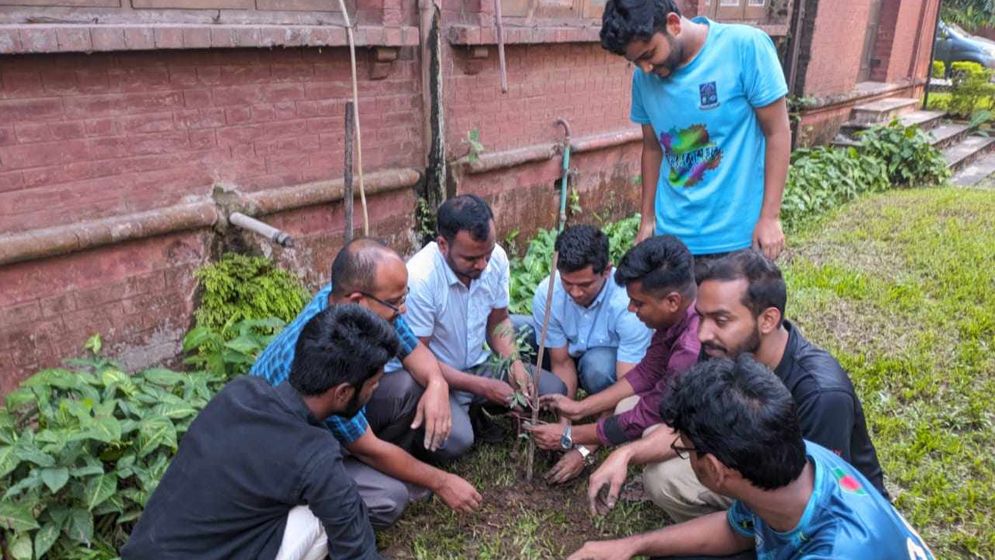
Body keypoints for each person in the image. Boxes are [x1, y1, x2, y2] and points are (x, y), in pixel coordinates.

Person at [588, 250, 887, 524]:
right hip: (751, 464)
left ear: (768, 319)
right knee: (652, 431)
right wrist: (625, 454)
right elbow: (686, 424)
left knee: (665, 479)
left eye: (721, 319)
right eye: (701, 317)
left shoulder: (820, 394)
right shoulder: (720, 348)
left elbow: (821, 498)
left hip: (822, 509)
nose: (704, 333)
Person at [568, 355, 934, 560]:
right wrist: (632, 545)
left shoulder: (840, 550)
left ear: (713, 468)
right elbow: (734, 528)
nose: (681, 456)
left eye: (684, 450)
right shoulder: (791, 464)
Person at [123, 305, 398, 560]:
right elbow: (357, 548)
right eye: (373, 384)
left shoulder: (239, 392)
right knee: (317, 519)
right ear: (343, 392)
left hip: (144, 550)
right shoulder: (315, 453)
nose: (374, 391)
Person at [251, 238, 480, 528]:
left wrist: (437, 383)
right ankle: (307, 513)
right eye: (396, 302)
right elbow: (366, 446)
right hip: (287, 453)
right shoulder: (329, 354)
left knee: (409, 389)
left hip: (333, 424)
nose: (404, 310)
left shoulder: (357, 305)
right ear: (358, 300)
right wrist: (442, 482)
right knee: (388, 498)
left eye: (403, 297)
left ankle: (384, 466)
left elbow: (413, 352)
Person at [600, 0, 791, 271]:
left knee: (729, 314)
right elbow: (652, 149)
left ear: (673, 24)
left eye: (649, 54)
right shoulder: (644, 80)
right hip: (674, 239)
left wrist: (770, 217)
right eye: (636, 62)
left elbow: (778, 132)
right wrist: (647, 220)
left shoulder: (745, 47)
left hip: (737, 238)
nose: (646, 69)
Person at [528, 235, 699, 484]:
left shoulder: (691, 349)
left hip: (717, 432)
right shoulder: (673, 318)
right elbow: (646, 372)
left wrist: (571, 436)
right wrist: (579, 408)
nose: (631, 309)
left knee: (659, 470)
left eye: (638, 304)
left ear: (672, 301)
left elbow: (643, 414)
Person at [402, 194, 568, 445]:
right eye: (470, 259)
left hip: (478, 365)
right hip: (436, 375)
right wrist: (482, 387)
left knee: (553, 390)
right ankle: (468, 412)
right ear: (443, 244)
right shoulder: (420, 278)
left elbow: (499, 321)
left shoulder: (497, 258)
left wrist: (514, 363)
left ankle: (475, 409)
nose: (482, 265)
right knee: (456, 442)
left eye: (487, 255)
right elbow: (418, 356)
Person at [517, 224, 651, 397]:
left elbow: (627, 381)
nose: (575, 293)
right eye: (567, 283)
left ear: (607, 271)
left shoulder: (628, 303)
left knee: (597, 367)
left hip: (610, 366)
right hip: (567, 354)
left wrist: (604, 423)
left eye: (585, 285)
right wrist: (565, 418)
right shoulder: (548, 293)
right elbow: (561, 363)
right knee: (512, 331)